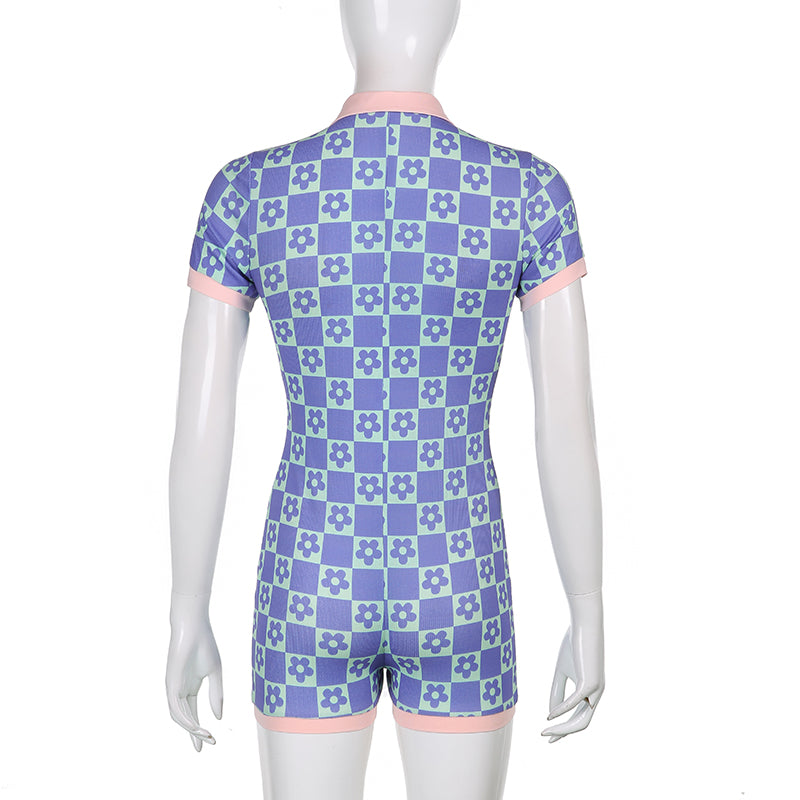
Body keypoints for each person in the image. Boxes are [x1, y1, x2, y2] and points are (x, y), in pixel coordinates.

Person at [166, 2, 604, 798]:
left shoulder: (250, 192)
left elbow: (201, 427)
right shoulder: (527, 193)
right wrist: (589, 606)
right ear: (453, 16)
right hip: (458, 572)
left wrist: (186, 608)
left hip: (311, 572)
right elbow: (567, 426)